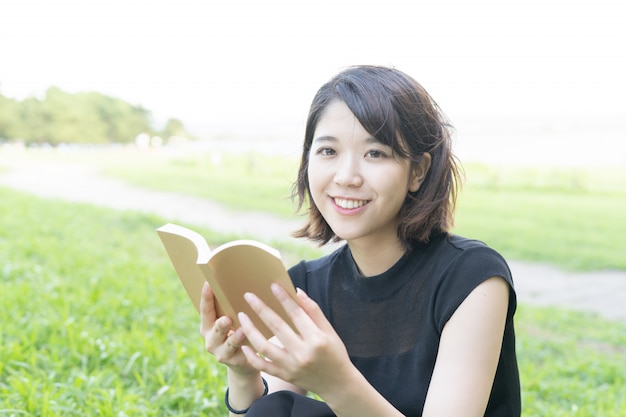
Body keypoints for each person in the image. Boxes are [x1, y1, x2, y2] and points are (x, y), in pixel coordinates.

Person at [199, 65, 521, 417]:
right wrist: (243, 372)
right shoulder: (306, 286)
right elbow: (266, 412)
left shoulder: (471, 277)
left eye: (375, 153)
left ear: (418, 171)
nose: (346, 177)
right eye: (328, 151)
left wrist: (336, 382)